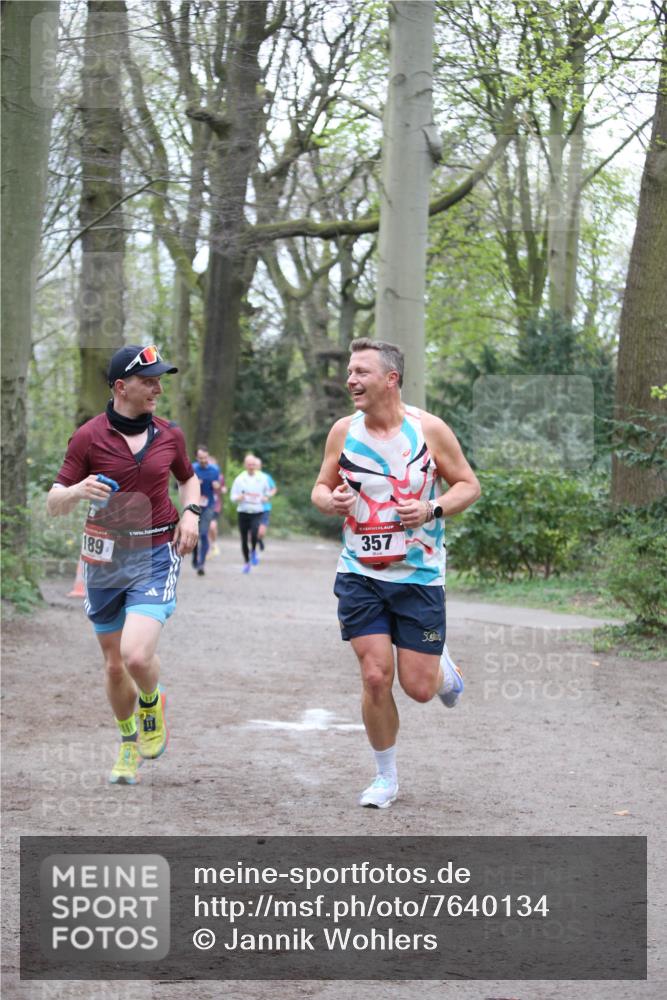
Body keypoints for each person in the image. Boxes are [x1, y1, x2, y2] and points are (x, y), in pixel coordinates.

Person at [311, 338, 480, 809]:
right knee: (374, 675)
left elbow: (469, 485)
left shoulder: (429, 430)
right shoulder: (343, 431)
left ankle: (443, 671)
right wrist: (332, 501)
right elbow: (320, 489)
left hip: (419, 576)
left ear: (391, 379)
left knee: (420, 688)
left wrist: (431, 508)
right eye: (350, 372)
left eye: (361, 372)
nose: (351, 380)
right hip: (360, 572)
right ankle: (385, 778)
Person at [46, 344, 201, 786]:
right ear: (120, 387)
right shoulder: (88, 437)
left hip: (155, 552)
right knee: (115, 665)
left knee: (136, 654)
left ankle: (151, 701)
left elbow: (188, 479)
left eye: (159, 382)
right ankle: (128, 741)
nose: (157, 390)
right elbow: (54, 503)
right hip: (105, 559)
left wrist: (191, 514)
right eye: (148, 382)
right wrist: (78, 491)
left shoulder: (169, 434)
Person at [230, 454, 272, 573]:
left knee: (254, 533)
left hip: (257, 511)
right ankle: (246, 562)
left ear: (256, 465)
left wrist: (266, 497)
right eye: (249, 464)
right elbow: (232, 497)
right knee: (244, 539)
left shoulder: (262, 478)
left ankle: (253, 550)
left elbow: (268, 492)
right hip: (243, 512)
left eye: (253, 464)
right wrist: (239, 497)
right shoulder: (239, 479)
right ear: (245, 465)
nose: (251, 466)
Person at [191, 445, 221, 575]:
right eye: (200, 458)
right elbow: (182, 484)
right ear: (196, 458)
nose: (203, 460)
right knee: (194, 535)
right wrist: (194, 483)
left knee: (203, 534)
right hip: (194, 505)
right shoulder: (192, 468)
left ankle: (201, 564)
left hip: (208, 505)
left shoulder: (215, 469)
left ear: (208, 457)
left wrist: (217, 486)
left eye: (205, 458)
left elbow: (218, 487)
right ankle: (195, 555)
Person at [207, 454, 226, 556]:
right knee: (206, 527)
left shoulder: (220, 477)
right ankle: (209, 547)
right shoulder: (201, 474)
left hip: (215, 505)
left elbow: (223, 488)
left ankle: (214, 544)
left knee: (212, 526)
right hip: (203, 505)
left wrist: (220, 489)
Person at [256, 458, 277, 551]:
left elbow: (274, 489)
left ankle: (259, 539)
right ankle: (253, 550)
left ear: (260, 466)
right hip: (251, 508)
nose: (255, 467)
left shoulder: (266, 477)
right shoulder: (246, 477)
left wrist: (267, 496)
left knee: (261, 532)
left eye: (257, 465)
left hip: (264, 507)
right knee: (252, 531)